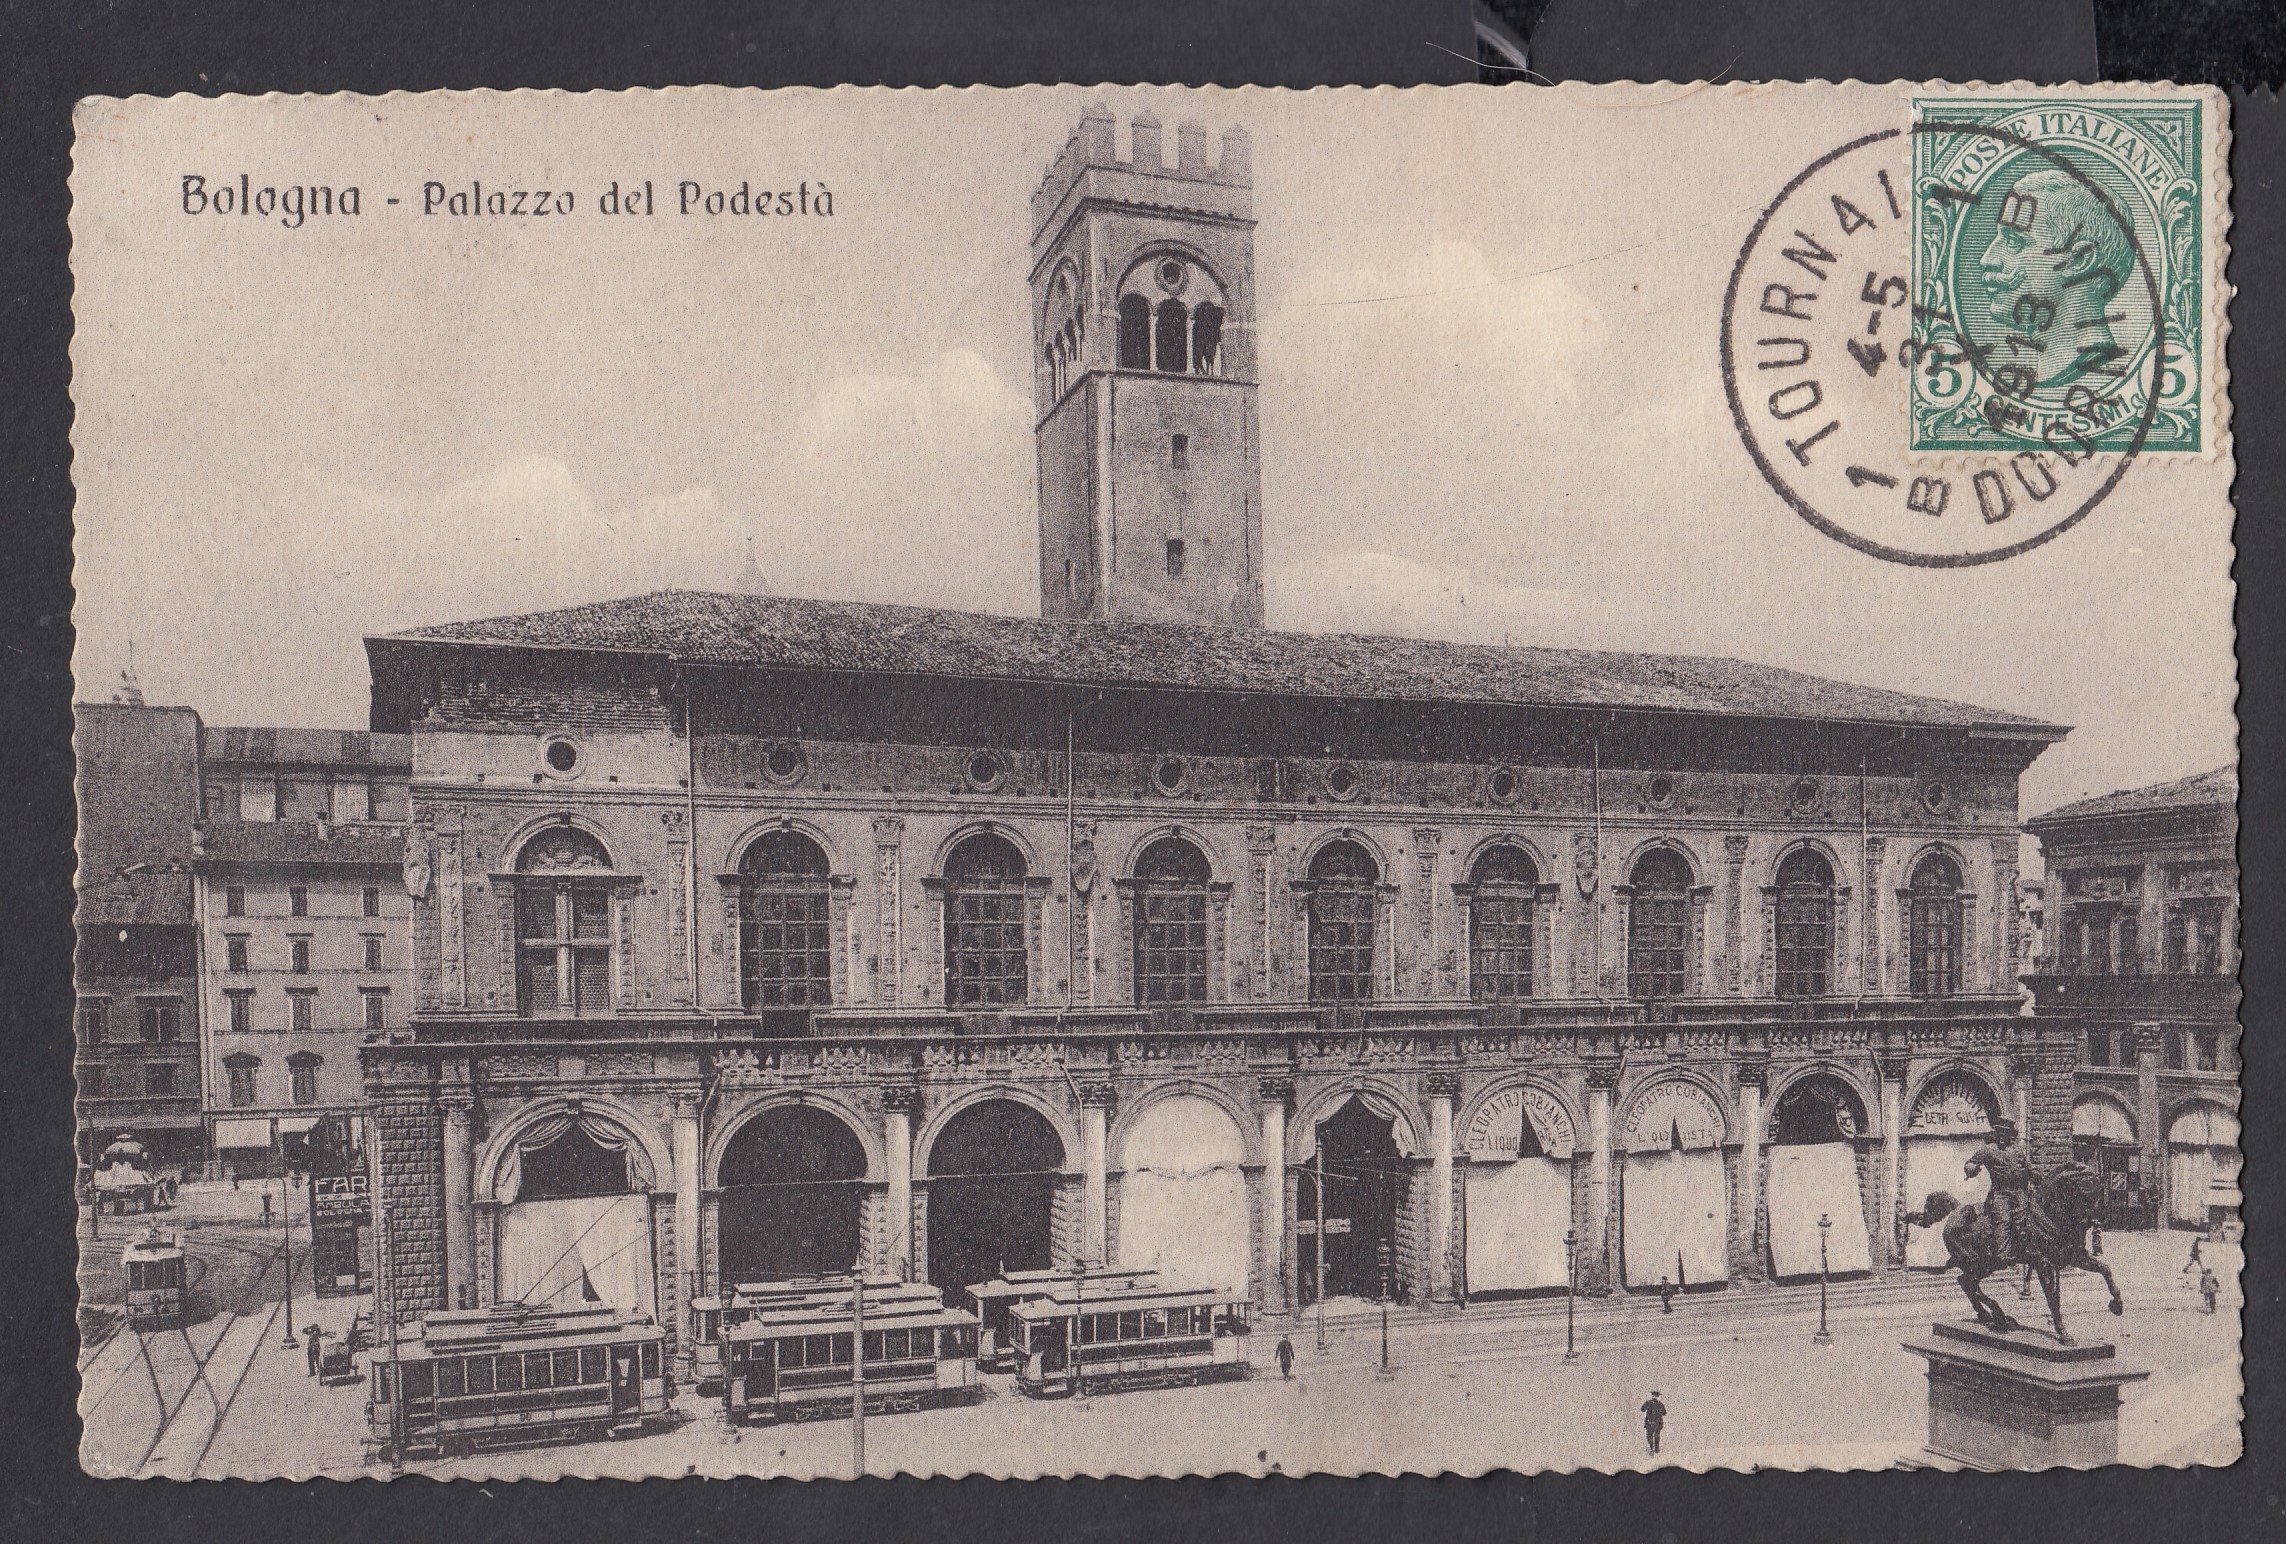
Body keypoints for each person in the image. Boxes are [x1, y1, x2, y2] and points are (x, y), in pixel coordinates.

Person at [1963, 1118, 2035, 1260]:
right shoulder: (1988, 1149)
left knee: (2030, 1217)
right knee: (2004, 1219)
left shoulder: (2017, 1151)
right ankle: (2003, 1255)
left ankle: (2030, 1251)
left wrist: (2035, 1174)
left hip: (2019, 1192)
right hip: (2001, 1194)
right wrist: (1972, 1169)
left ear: (2011, 1134)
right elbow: (1970, 1163)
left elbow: (2029, 1168)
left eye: (2006, 1133)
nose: (2003, 1137)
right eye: (2000, 1133)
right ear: (1996, 1133)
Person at [1641, 1391, 1667, 1456]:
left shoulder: (1648, 1403)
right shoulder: (1660, 1404)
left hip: (1649, 1423)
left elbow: (1642, 1409)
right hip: (1658, 1423)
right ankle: (1657, 1450)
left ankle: (1651, 1448)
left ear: (1652, 1396)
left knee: (1649, 1436)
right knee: (1657, 1436)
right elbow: (1664, 1413)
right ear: (1658, 1397)